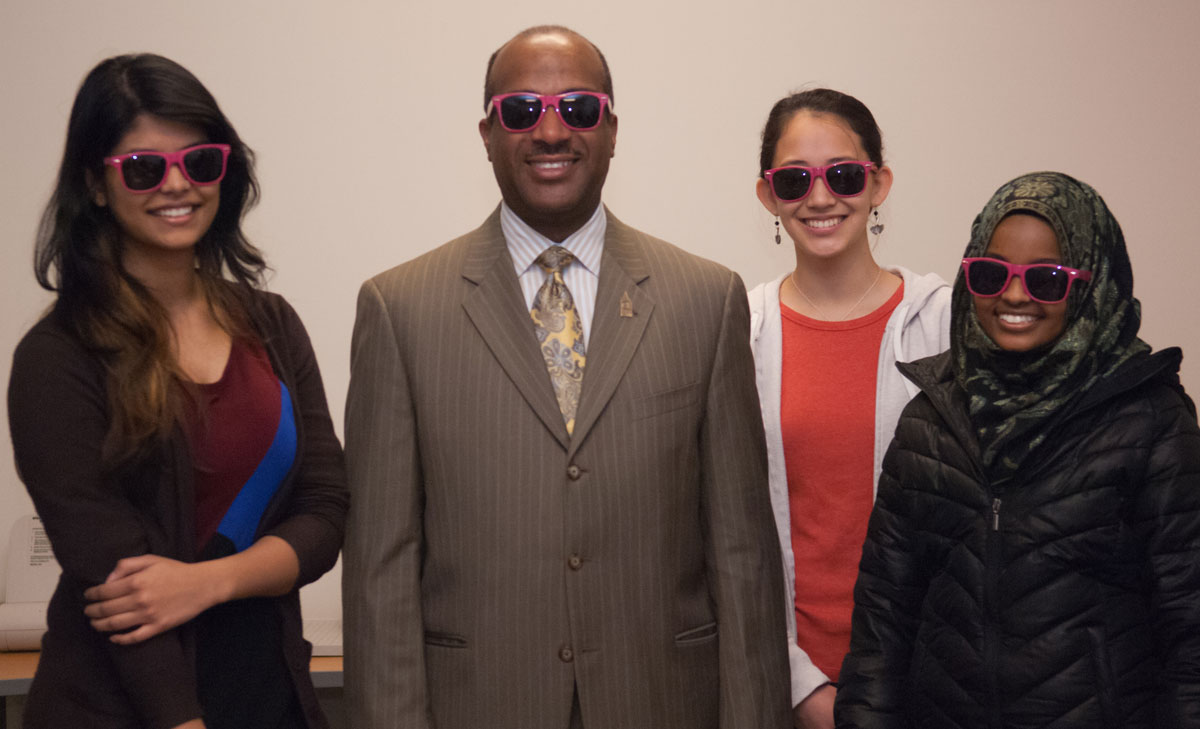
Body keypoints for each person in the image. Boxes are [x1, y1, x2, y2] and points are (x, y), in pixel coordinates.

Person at [343, 24, 791, 729]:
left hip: (664, 702)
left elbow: (741, 555)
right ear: (487, 133)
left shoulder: (706, 299)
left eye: (579, 109)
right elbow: (380, 571)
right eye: (521, 111)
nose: (551, 131)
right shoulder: (400, 309)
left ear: (612, 129)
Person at [7, 54, 348, 729]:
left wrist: (205, 582)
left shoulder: (271, 323)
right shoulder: (56, 358)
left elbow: (325, 508)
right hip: (127, 706)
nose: (176, 185)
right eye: (142, 167)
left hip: (268, 690)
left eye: (199, 162)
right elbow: (121, 591)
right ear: (95, 185)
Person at [835, 171, 1200, 728]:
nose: (1013, 295)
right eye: (989, 273)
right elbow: (884, 621)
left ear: (1091, 284)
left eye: (1047, 279)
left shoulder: (1152, 421)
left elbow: (1190, 630)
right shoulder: (930, 419)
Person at [747, 89, 951, 729]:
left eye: (842, 174)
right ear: (767, 195)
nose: (819, 197)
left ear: (878, 183)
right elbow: (721, 533)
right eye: (793, 179)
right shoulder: (738, 332)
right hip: (784, 685)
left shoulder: (947, 324)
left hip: (929, 682)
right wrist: (803, 690)